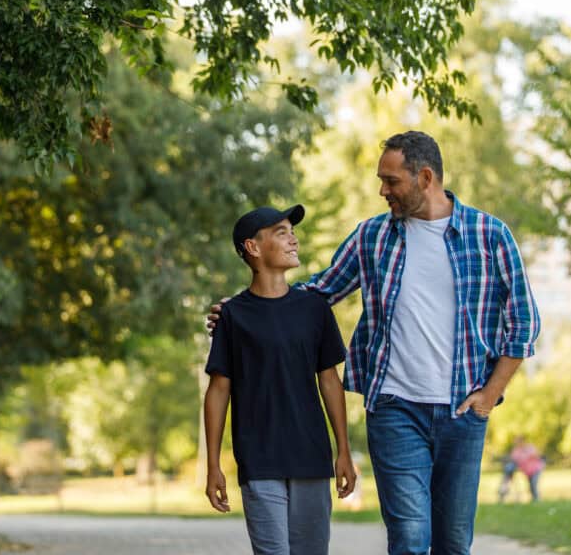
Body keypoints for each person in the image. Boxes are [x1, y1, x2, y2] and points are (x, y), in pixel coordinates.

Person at [209, 131, 540, 554]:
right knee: (409, 538)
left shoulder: (489, 235)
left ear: (424, 177)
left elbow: (524, 323)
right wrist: (241, 312)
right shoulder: (373, 237)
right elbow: (317, 292)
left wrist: (489, 396)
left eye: (391, 181)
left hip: (463, 410)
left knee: (454, 542)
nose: (383, 191)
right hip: (394, 408)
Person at [203, 204, 356, 555]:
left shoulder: (315, 309)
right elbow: (218, 391)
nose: (294, 239)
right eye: (282, 232)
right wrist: (213, 466)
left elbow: (330, 382)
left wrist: (343, 450)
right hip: (259, 459)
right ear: (253, 248)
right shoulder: (233, 316)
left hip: (311, 456)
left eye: (293, 231)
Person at [509, 436, 545, 502]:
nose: (516, 443)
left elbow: (536, 455)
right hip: (527, 471)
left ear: (522, 441)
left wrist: (526, 456)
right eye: (515, 442)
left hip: (536, 469)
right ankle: (535, 499)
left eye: (518, 441)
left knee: (533, 484)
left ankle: (536, 499)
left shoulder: (530, 447)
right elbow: (514, 459)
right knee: (531, 485)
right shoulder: (516, 450)